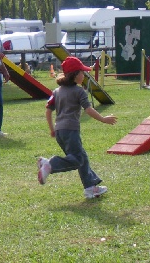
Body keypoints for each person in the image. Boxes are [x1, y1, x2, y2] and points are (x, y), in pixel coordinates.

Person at [38, 56, 117, 199]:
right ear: (75, 75)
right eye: (82, 72)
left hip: (60, 131)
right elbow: (88, 109)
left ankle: (90, 188)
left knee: (82, 157)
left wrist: (52, 129)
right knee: (77, 160)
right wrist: (103, 119)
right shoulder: (79, 91)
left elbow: (48, 111)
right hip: (71, 131)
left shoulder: (57, 91)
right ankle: (49, 165)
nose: (84, 75)